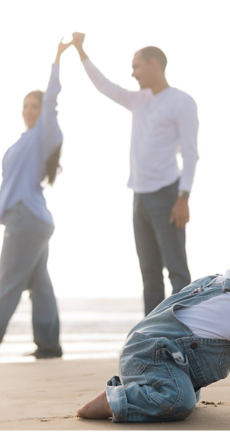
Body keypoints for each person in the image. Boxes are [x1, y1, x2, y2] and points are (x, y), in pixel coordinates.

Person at [76, 242, 230, 421]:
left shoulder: (212, 282)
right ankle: (113, 401)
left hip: (142, 350)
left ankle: (134, 386)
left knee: (190, 391)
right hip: (154, 356)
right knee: (178, 400)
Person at [0, 39, 70, 361]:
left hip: (26, 220)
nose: (29, 110)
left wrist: (57, 59)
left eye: (34, 106)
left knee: (8, 284)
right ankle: (49, 346)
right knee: (41, 287)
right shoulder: (19, 145)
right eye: (25, 105)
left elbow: (52, 100)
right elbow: (8, 185)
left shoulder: (43, 137)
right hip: (29, 220)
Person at [72, 32, 197, 315]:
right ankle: (152, 334)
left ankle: (187, 331)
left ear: (154, 65)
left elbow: (190, 153)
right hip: (139, 196)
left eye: (136, 66)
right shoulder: (138, 100)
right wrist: (81, 51)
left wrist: (184, 197)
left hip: (168, 194)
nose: (132, 73)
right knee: (149, 272)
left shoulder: (182, 102)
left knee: (176, 271)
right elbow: (104, 85)